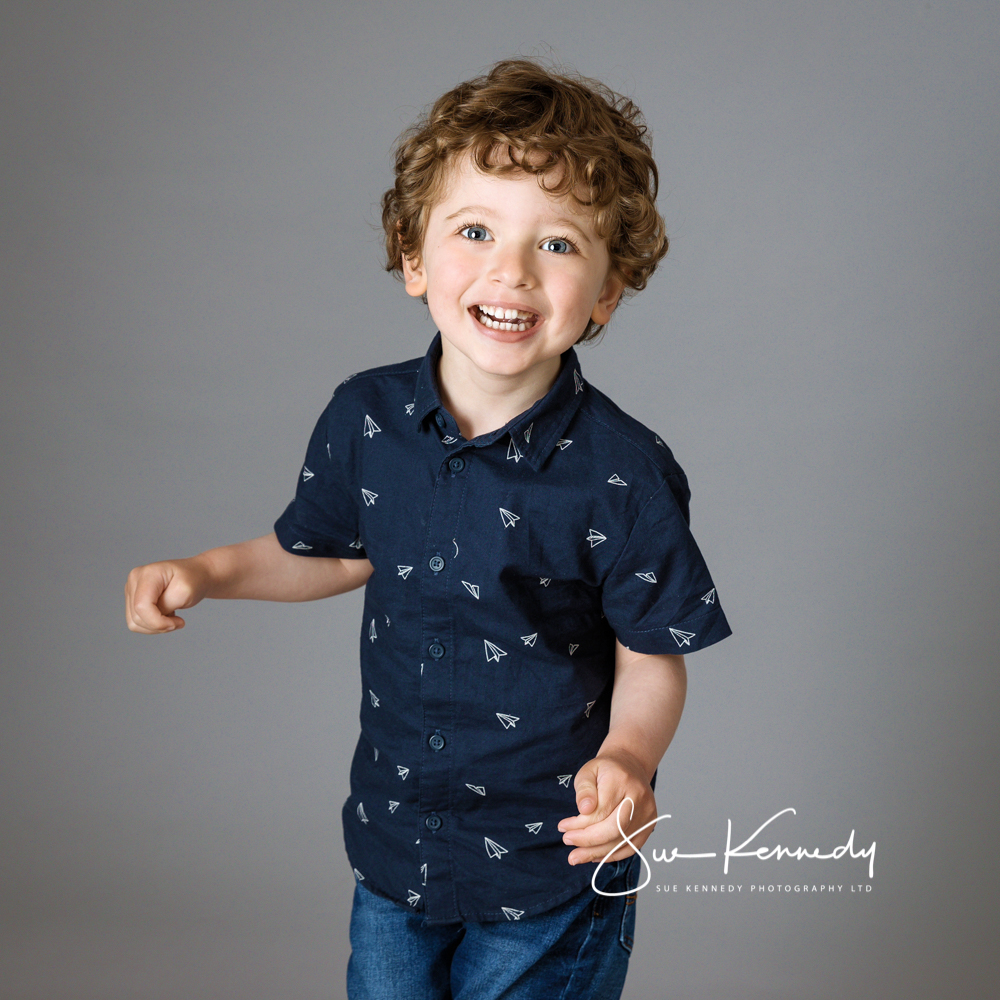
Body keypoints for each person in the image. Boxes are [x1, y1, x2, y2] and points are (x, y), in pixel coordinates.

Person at [125, 59, 731, 1000]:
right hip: (398, 841)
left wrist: (629, 759)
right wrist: (204, 571)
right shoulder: (366, 420)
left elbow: (654, 651)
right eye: (476, 230)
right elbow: (320, 554)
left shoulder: (624, 472)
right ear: (414, 259)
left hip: (553, 863)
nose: (511, 271)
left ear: (607, 293)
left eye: (560, 245)